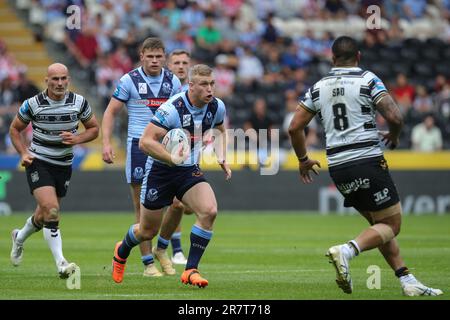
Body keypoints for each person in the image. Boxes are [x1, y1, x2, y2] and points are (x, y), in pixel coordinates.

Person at [288, 36, 443, 297]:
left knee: (377, 224)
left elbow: (294, 127)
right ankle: (346, 251)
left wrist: (303, 160)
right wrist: (393, 135)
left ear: (332, 58)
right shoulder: (368, 79)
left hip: (337, 166)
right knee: (392, 225)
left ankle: (407, 279)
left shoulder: (318, 87)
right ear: (358, 56)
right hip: (367, 160)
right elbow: (395, 116)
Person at [111, 64, 231, 288]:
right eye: (204, 84)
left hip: (188, 170)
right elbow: (145, 141)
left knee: (209, 211)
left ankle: (190, 270)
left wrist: (222, 156)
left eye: (212, 84)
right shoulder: (172, 109)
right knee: (147, 230)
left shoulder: (217, 107)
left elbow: (221, 130)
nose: (210, 89)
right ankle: (122, 249)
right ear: (191, 85)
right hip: (160, 171)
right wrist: (170, 158)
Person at [102, 37, 184, 277]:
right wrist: (106, 143)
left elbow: (181, 114)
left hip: (167, 147)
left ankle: (163, 248)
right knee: (141, 208)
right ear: (142, 57)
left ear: (164, 57)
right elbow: (110, 112)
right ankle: (148, 263)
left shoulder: (173, 81)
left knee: (177, 203)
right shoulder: (129, 80)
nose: (155, 61)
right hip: (139, 148)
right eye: (150, 56)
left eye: (159, 56)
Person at [9, 63, 99, 278]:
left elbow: (94, 129)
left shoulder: (79, 103)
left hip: (64, 165)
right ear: (46, 80)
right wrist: (23, 153)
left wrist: (77, 139)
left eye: (63, 78)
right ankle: (61, 263)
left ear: (68, 80)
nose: (60, 83)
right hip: (38, 162)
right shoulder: (33, 104)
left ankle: (19, 237)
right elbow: (15, 129)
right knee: (52, 209)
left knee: (43, 216)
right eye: (55, 79)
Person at [165, 49, 194, 265]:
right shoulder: (165, 90)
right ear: (169, 66)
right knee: (176, 203)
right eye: (176, 62)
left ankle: (165, 247)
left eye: (185, 62)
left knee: (188, 207)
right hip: (168, 150)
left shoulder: (196, 90)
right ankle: (175, 250)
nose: (181, 66)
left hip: (192, 151)